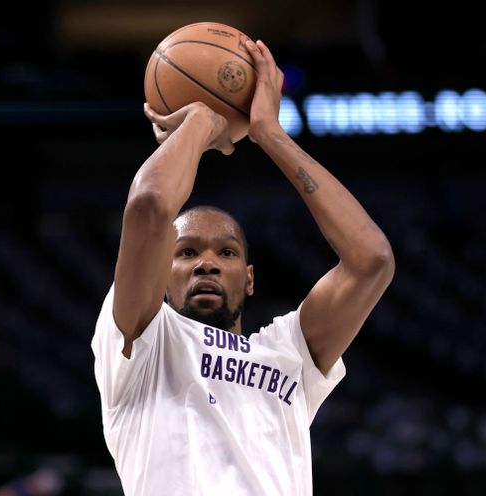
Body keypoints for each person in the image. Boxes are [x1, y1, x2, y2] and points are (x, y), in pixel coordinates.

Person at [91, 38, 394, 495]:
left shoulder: (288, 354)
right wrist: (199, 120)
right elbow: (150, 205)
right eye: (187, 252)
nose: (207, 263)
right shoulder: (142, 346)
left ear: (249, 278)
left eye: (227, 253)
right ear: (161, 273)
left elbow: (372, 261)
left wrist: (270, 134)